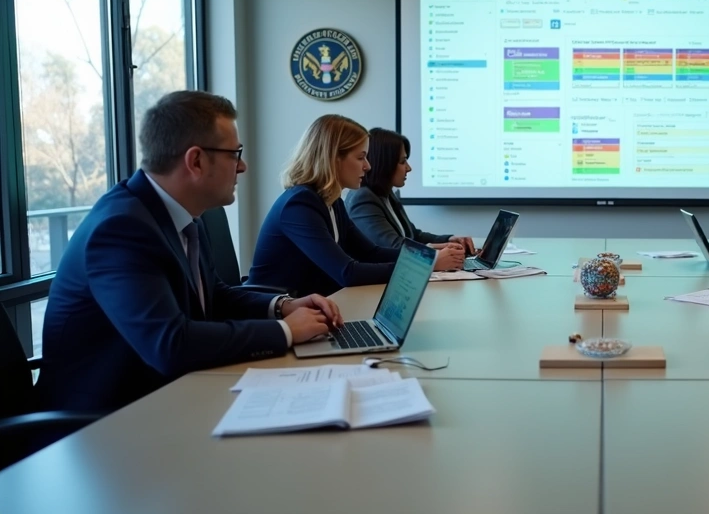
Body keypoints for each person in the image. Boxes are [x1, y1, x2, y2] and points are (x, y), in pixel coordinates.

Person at [38, 92, 342, 413]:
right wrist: (284, 332)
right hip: (101, 425)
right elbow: (170, 345)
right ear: (195, 161)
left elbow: (213, 295)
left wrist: (283, 307)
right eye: (234, 154)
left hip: (166, 398)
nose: (242, 166)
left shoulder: (181, 215)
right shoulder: (121, 229)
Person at [246, 115, 403, 296]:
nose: (368, 166)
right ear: (333, 158)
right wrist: (417, 269)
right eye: (361, 157)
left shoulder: (332, 201)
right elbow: (347, 273)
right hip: (277, 313)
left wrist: (426, 260)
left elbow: (371, 253)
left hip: (312, 304)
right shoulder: (299, 205)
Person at [345, 128, 469, 271]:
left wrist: (448, 240)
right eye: (403, 161)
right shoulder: (363, 198)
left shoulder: (387, 193)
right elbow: (393, 247)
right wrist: (435, 255)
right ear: (386, 163)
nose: (408, 168)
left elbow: (413, 235)